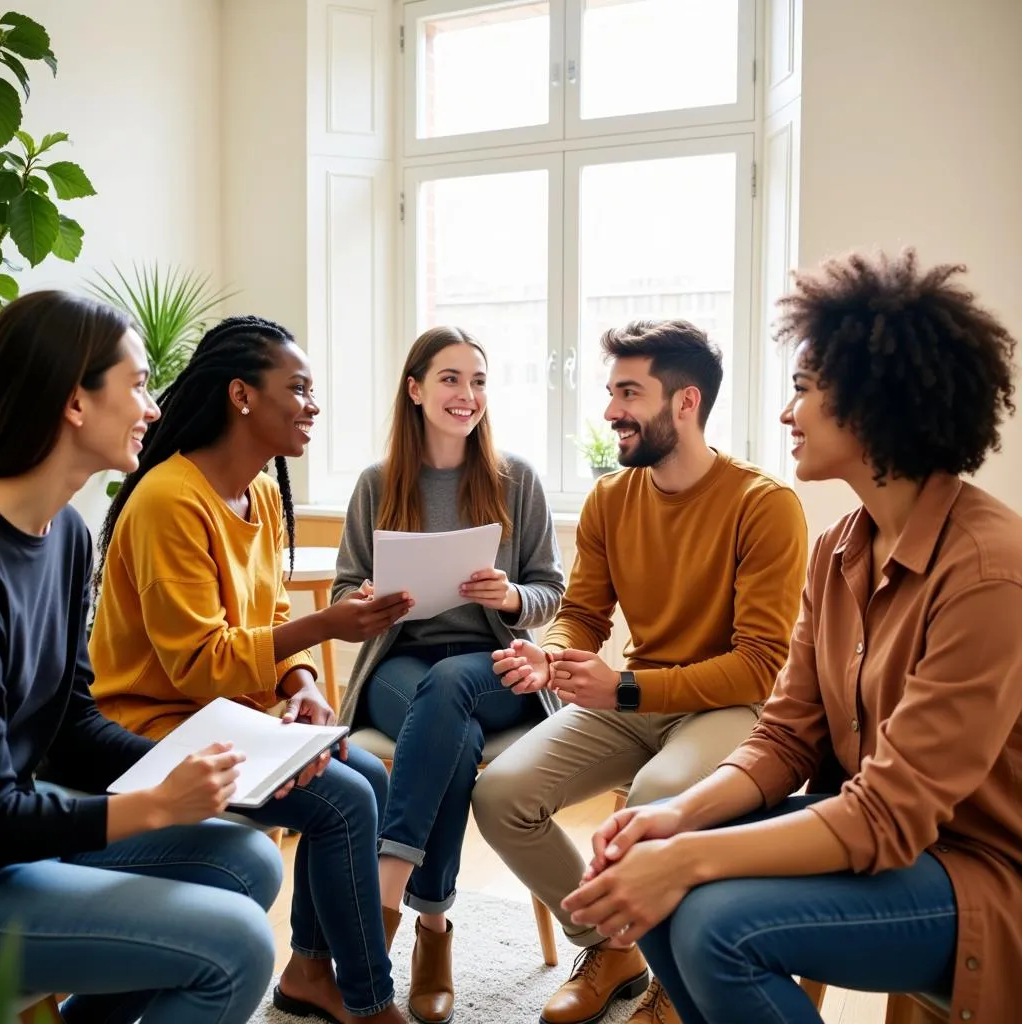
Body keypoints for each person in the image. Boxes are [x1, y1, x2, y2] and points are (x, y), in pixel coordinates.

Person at [561, 250, 1022, 1024]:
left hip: (977, 873)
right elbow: (785, 739)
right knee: (662, 878)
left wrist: (690, 853)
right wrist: (674, 820)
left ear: (872, 407)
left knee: (712, 925)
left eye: (803, 392)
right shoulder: (841, 547)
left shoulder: (989, 573)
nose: (786, 415)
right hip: (877, 835)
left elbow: (889, 812)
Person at [473, 318, 808, 1024]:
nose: (611, 412)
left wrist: (624, 686)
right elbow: (585, 614)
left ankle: (671, 982)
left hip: (731, 707)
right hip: (635, 697)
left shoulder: (764, 505)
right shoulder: (609, 499)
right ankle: (610, 945)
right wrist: (554, 652)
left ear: (684, 403)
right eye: (611, 391)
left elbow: (759, 667)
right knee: (500, 794)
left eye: (629, 392)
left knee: (651, 802)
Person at [90, 315, 412, 1024]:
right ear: (241, 395)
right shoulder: (169, 500)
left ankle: (307, 972)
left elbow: (266, 617)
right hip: (154, 727)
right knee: (345, 800)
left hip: (233, 720)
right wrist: (325, 626)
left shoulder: (262, 491)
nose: (312, 406)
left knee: (373, 776)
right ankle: (370, 1002)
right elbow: (196, 663)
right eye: (297, 389)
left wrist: (300, 681)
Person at [0, 291, 284, 1024]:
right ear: (74, 403)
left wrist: (226, 767)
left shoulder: (65, 537)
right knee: (239, 946)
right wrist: (154, 805)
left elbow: (70, 729)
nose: (153, 408)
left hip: (23, 845)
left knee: (246, 858)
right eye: (137, 385)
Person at [332, 325, 565, 1023]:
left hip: (494, 668)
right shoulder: (377, 485)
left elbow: (551, 590)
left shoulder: (515, 479)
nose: (467, 396)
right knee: (446, 726)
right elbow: (345, 592)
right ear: (415, 389)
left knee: (451, 693)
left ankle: (387, 891)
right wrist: (369, 601)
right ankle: (433, 932)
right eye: (451, 380)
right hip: (401, 668)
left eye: (479, 381)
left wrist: (512, 597)